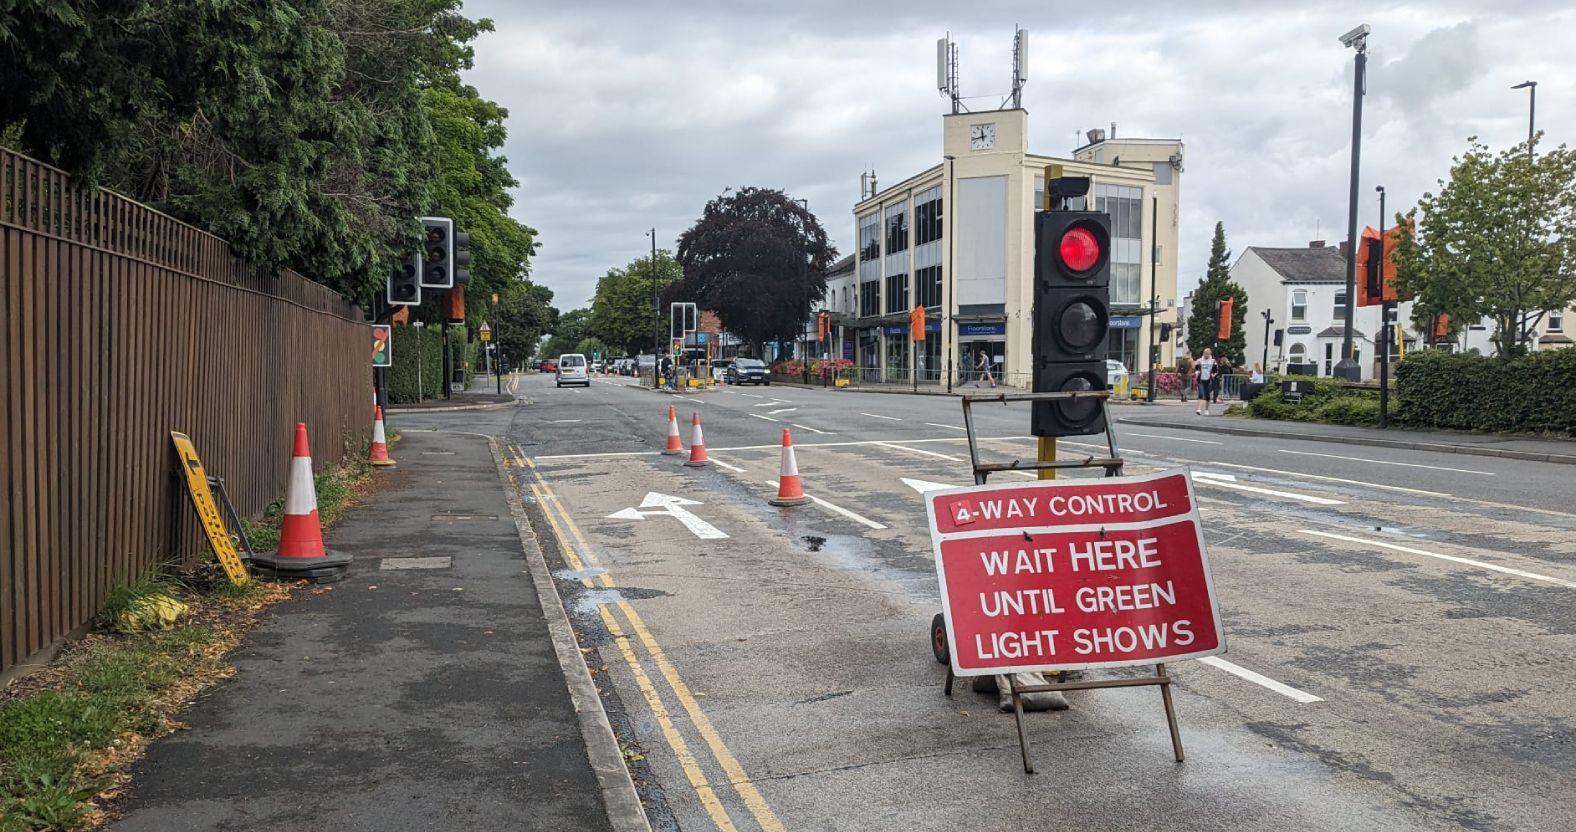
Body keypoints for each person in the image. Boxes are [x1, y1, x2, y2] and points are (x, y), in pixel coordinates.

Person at [1195, 348, 1217, 415]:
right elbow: (1196, 368)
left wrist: (1213, 375)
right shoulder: (1200, 360)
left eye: (1207, 354)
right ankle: (1198, 409)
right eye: (1205, 353)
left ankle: (1206, 410)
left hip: (1208, 380)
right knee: (1201, 394)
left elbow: (1215, 370)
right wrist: (1197, 373)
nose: (1206, 355)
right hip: (1201, 380)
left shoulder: (1213, 361)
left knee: (1207, 396)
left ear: (1210, 354)